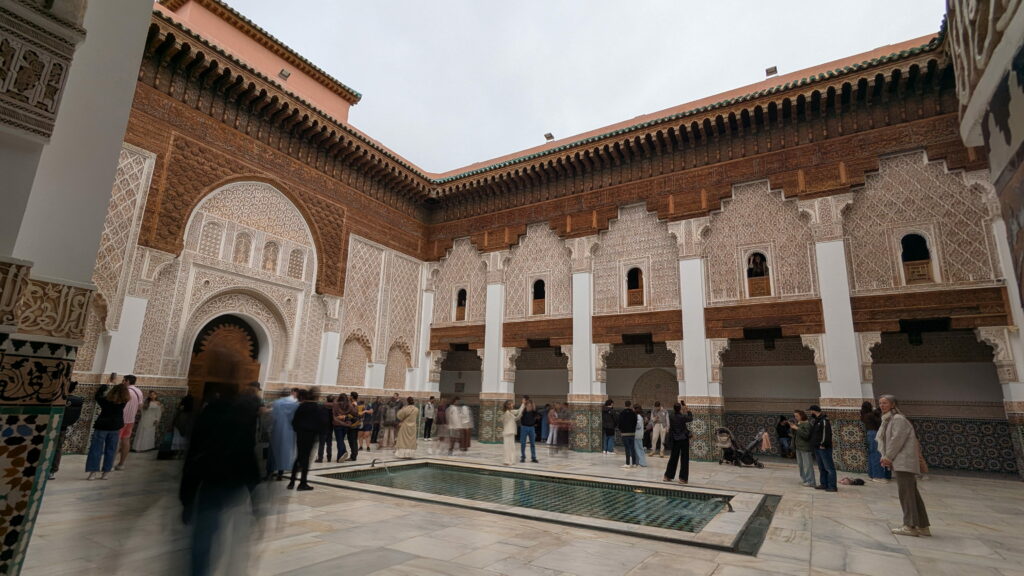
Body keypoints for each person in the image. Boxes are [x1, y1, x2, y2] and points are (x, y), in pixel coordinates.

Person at [180, 379, 261, 576]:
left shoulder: (209, 414)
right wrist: (254, 493)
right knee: (227, 536)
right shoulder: (243, 416)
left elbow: (194, 455)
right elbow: (248, 454)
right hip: (231, 483)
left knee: (205, 534)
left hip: (211, 480)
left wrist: (187, 497)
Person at [877, 394, 931, 537]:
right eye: (880, 403)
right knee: (912, 494)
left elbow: (896, 440)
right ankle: (923, 526)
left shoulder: (898, 419)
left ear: (893, 404)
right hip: (901, 461)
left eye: (885, 403)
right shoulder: (890, 419)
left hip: (903, 461)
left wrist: (888, 457)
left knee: (906, 495)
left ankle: (910, 525)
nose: (882, 406)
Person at [86, 383, 129, 480]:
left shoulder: (106, 401)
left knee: (96, 449)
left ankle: (93, 473)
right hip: (115, 427)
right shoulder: (124, 402)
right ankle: (106, 473)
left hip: (102, 426)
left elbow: (97, 396)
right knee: (111, 450)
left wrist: (104, 386)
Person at [289, 387, 327, 491]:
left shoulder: (301, 407)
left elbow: (294, 422)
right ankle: (303, 483)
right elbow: (323, 423)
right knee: (305, 458)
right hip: (310, 436)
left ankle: (292, 482)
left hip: (301, 435)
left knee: (299, 457)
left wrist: (300, 430)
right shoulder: (318, 408)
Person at [50, 381, 84, 480]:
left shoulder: (59, 399)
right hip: (63, 429)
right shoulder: (77, 400)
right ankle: (52, 471)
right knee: (58, 449)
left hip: (52, 428)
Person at [269, 388, 300, 480]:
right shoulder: (295, 405)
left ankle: (270, 472)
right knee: (284, 452)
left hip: (276, 431)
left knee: (274, 452)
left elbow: (271, 418)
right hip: (289, 432)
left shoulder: (276, 403)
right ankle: (280, 474)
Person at [115, 374, 144, 470]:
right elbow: (140, 407)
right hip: (131, 420)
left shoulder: (124, 391)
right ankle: (121, 464)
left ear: (127, 381)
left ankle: (109, 464)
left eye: (124, 380)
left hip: (120, 420)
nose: (123, 382)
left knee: (115, 441)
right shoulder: (138, 391)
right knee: (126, 441)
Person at [808, 404, 837, 492]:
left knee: (829, 467)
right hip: (817, 447)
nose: (810, 412)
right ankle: (824, 484)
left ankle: (832, 486)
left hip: (823, 448)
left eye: (811, 410)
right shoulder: (817, 420)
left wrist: (823, 444)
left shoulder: (824, 420)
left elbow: (826, 433)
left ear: (814, 410)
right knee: (821, 467)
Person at [663, 402, 694, 484]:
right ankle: (683, 478)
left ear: (674, 409)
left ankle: (667, 476)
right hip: (683, 439)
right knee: (684, 458)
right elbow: (690, 418)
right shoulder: (683, 417)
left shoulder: (671, 416)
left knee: (673, 457)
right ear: (680, 408)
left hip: (675, 439)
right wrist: (687, 410)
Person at [862, 401, 890, 482]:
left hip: (869, 434)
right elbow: (879, 422)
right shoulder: (870, 415)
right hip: (874, 434)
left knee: (872, 455)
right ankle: (878, 476)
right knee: (877, 454)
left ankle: (872, 474)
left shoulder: (864, 415)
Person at [788, 410, 816, 487]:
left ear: (802, 415)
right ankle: (805, 480)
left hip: (805, 448)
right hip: (798, 447)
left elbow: (806, 435)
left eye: (797, 416)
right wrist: (792, 427)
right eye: (794, 416)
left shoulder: (807, 424)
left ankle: (811, 481)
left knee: (807, 465)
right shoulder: (799, 423)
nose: (795, 417)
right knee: (801, 465)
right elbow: (794, 434)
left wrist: (797, 428)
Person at [501, 400, 522, 465]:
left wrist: (523, 404)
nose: (513, 405)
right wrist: (519, 414)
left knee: (511, 447)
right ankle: (507, 460)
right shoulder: (507, 413)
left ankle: (511, 460)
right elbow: (515, 418)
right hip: (508, 432)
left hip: (511, 432)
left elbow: (518, 412)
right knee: (507, 447)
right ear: (508, 405)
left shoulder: (510, 412)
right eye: (511, 404)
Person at [518, 397, 539, 463]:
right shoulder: (523, 411)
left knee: (532, 443)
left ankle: (533, 457)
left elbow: (537, 416)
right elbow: (519, 413)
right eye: (528, 404)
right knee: (523, 443)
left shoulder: (533, 412)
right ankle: (523, 457)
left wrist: (535, 423)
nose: (529, 406)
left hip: (531, 428)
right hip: (524, 427)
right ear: (526, 405)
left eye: (531, 404)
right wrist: (523, 404)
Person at [618, 400, 638, 468]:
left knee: (627, 448)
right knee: (632, 448)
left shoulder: (622, 413)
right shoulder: (633, 413)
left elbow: (620, 423)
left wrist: (621, 430)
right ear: (630, 405)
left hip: (625, 433)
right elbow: (635, 423)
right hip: (632, 433)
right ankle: (634, 463)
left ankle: (627, 463)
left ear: (625, 405)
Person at [331, 395, 350, 462]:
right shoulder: (348, 405)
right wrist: (345, 416)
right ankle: (340, 456)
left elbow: (333, 415)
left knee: (339, 441)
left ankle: (342, 453)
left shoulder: (336, 405)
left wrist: (340, 417)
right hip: (345, 425)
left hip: (338, 425)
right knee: (341, 440)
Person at [315, 395, 335, 463]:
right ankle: (329, 458)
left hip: (323, 427)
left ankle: (320, 458)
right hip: (331, 427)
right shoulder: (335, 407)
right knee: (329, 443)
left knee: (321, 443)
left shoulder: (322, 406)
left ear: (327, 400)